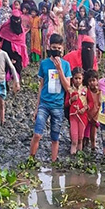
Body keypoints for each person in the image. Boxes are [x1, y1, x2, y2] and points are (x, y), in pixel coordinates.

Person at [29, 34, 71, 162]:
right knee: (37, 133)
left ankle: (53, 161)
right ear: (49, 47)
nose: (56, 50)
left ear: (62, 49)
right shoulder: (44, 64)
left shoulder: (66, 65)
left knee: (55, 137)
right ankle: (31, 159)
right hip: (44, 104)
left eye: (58, 48)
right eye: (54, 47)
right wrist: (36, 108)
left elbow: (68, 87)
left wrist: (60, 70)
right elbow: (41, 86)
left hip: (58, 105)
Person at [0, 9, 29, 81]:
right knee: (5, 65)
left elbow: (22, 42)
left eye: (18, 20)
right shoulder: (6, 26)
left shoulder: (21, 29)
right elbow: (0, 36)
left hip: (17, 52)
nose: (16, 22)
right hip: (7, 49)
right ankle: (5, 81)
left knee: (17, 65)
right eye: (14, 20)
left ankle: (16, 81)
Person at [65, 67, 89, 155]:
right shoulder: (70, 90)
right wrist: (72, 100)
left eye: (79, 78)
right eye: (76, 78)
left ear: (82, 79)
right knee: (74, 139)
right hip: (73, 116)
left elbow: (90, 103)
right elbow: (66, 104)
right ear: (72, 79)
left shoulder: (86, 90)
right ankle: (73, 155)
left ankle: (79, 156)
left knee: (80, 138)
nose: (77, 80)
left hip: (83, 116)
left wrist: (85, 108)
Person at [83, 69, 100, 151]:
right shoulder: (86, 91)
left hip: (96, 117)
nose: (92, 82)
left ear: (97, 80)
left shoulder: (99, 92)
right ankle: (83, 149)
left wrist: (96, 117)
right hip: (87, 116)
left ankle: (93, 148)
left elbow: (100, 106)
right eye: (90, 81)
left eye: (94, 80)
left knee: (93, 136)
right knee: (84, 135)